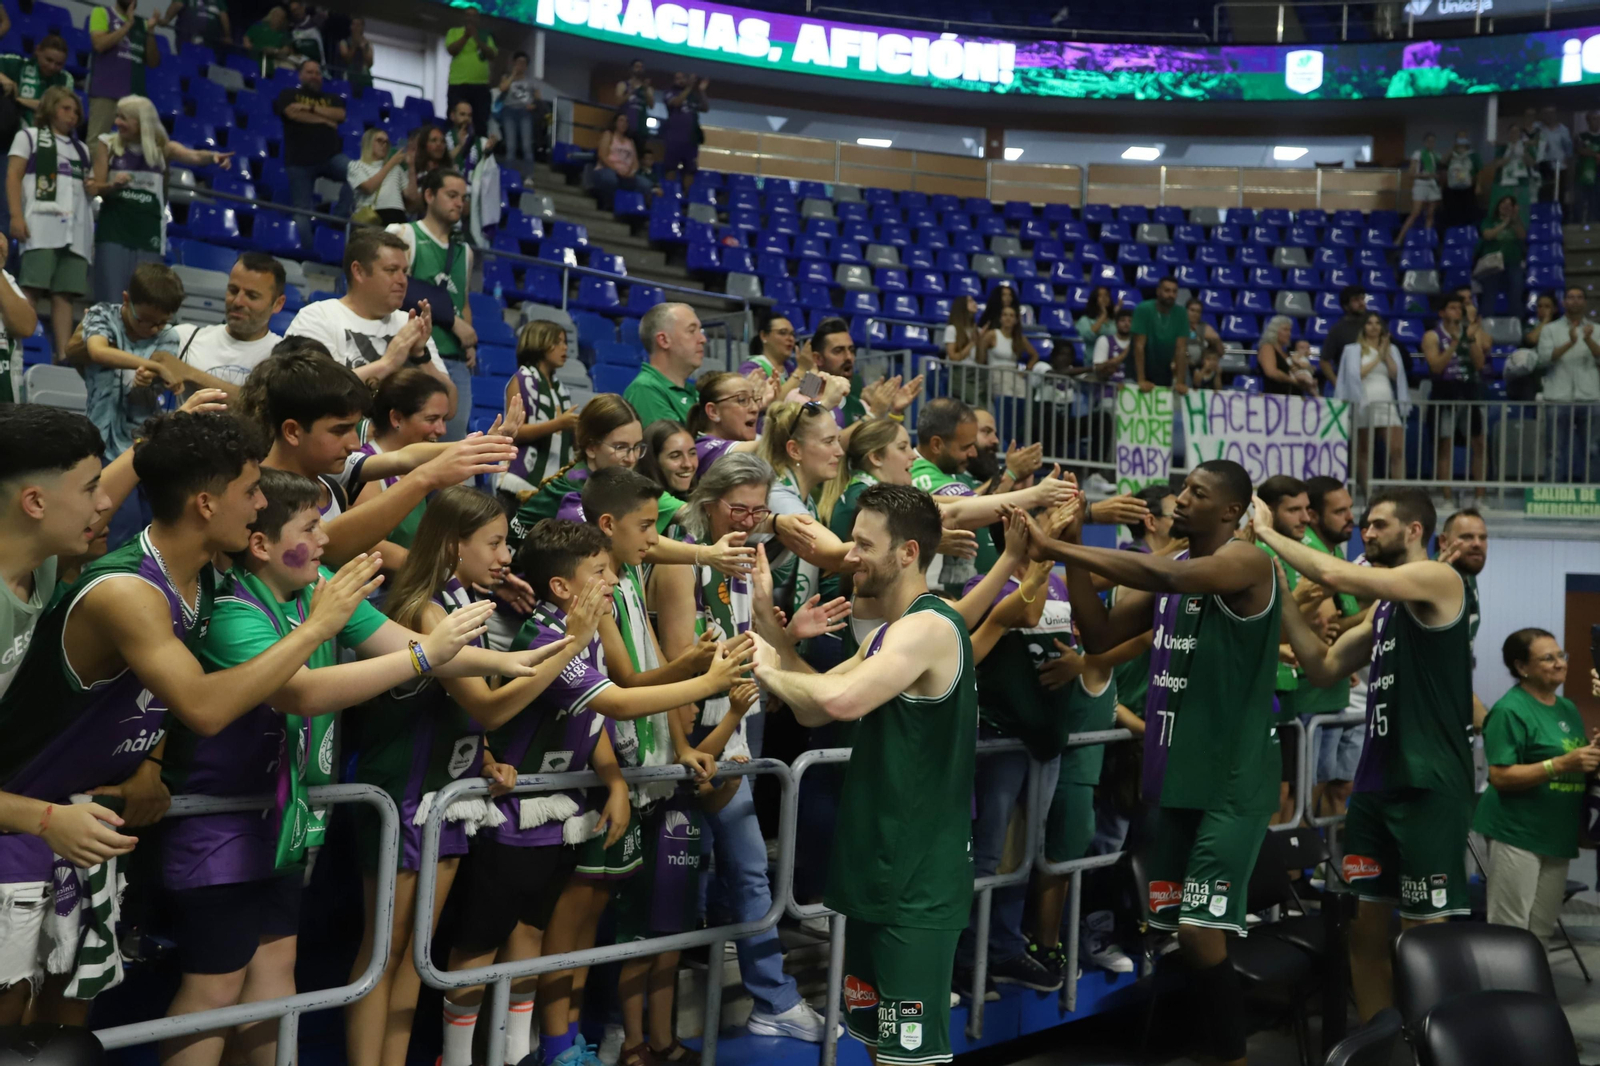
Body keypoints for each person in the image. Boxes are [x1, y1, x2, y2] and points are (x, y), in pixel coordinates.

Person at [161, 471, 566, 1066]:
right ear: (261, 545)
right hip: (224, 824)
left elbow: (405, 648)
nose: (326, 539)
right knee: (215, 989)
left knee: (275, 978)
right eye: (311, 527)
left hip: (286, 821)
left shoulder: (318, 586)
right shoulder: (231, 609)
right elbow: (304, 692)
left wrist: (526, 659)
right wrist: (424, 652)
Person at [0, 411, 375, 1027]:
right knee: (13, 1020)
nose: (260, 507)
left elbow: (156, 701)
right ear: (206, 503)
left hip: (82, 821)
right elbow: (203, 706)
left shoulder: (201, 576)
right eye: (251, 491)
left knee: (65, 1026)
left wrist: (148, 761)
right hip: (25, 815)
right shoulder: (126, 589)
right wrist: (317, 629)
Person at [1032, 459, 1281, 1066]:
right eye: (1182, 488)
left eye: (1198, 492)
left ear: (1231, 510)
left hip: (1232, 781)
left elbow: (1158, 576)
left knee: (1199, 930)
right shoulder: (1171, 567)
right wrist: (1069, 555)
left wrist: (1066, 542)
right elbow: (1098, 636)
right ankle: (1213, 1046)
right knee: (1179, 932)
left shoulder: (1247, 561)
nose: (1181, 498)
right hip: (1173, 778)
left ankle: (1232, 1056)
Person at [342, 486, 591, 1066]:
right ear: (454, 545)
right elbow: (490, 706)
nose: (506, 556)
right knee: (384, 950)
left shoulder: (462, 604)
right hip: (402, 795)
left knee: (414, 953)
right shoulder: (427, 609)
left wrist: (484, 760)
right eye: (495, 542)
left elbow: (463, 718)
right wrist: (571, 644)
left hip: (448, 798)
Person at [751, 484, 979, 1066]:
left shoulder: (930, 626)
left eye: (862, 544)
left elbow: (841, 701)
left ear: (906, 553)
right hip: (875, 870)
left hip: (917, 883)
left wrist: (764, 669)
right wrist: (766, 628)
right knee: (881, 1053)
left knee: (909, 1060)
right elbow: (810, 703)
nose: (849, 556)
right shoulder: (885, 634)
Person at [1258, 487, 1473, 1022]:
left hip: (1428, 785)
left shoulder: (1440, 580)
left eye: (1378, 525)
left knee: (1422, 938)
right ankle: (1382, 1046)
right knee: (1364, 933)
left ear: (1415, 530)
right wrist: (1283, 594)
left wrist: (1268, 533)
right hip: (1376, 786)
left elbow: (1335, 578)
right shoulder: (1385, 609)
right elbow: (1323, 667)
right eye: (1366, 526)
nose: (1366, 533)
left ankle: (1432, 1048)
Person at [241, 348, 514, 566]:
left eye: (354, 427)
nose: (353, 443)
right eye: (340, 430)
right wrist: (426, 478)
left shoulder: (328, 473)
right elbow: (328, 544)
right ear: (292, 431)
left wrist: (474, 446)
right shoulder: (261, 495)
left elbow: (403, 457)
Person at [1476, 629, 1598, 940]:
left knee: (1541, 929)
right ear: (1521, 667)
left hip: (1557, 834)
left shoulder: (1566, 708)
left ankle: (1532, 990)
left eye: (1561, 655)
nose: (1560, 663)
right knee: (1510, 930)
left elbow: (1577, 762)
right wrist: (1561, 764)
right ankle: (1505, 989)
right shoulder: (1509, 710)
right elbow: (1501, 777)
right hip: (1518, 832)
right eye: (1548, 658)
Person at [285, 228, 454, 401]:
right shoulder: (317, 318)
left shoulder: (410, 324)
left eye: (404, 272)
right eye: (391, 270)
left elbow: (450, 405)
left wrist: (421, 356)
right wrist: (388, 363)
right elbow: (310, 396)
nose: (403, 280)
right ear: (358, 271)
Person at [92, 94, 231, 304]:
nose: (117, 122)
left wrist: (213, 157)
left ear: (140, 122)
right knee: (110, 301)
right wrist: (113, 186)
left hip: (149, 234)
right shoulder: (107, 144)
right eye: (117, 116)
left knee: (142, 300)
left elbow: (192, 156)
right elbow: (95, 187)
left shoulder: (162, 149)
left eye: (123, 118)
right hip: (113, 232)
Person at [1293, 477, 1364, 820]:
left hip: (1331, 696)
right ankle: (1291, 875)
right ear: (1314, 516)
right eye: (1340, 511)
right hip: (1308, 697)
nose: (1351, 517)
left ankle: (1305, 872)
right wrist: (1385, 606)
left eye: (1350, 508)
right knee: (1297, 798)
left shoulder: (1332, 553)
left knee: (1319, 793)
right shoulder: (1308, 556)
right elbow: (1327, 632)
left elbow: (1338, 630)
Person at [387, 169, 476, 441]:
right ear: (429, 195)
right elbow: (395, 288)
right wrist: (452, 320)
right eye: (451, 195)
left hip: (455, 360)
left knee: (451, 445)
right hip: (414, 355)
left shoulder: (465, 251)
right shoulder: (403, 233)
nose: (459, 203)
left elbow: (463, 299)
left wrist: (469, 340)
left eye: (463, 197)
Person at [8, 87, 93, 363]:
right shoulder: (29, 137)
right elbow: (13, 177)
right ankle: (14, 345)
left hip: (75, 233)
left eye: (75, 110)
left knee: (64, 296)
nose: (72, 115)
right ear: (50, 108)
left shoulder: (81, 149)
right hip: (41, 228)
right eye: (65, 108)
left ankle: (62, 355)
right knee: (30, 289)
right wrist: (16, 216)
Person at [74, 261, 185, 468]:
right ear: (127, 299)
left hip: (140, 446)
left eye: (161, 322)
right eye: (146, 320)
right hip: (97, 438)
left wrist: (150, 380)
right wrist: (156, 366)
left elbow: (159, 386)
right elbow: (98, 351)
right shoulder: (103, 315)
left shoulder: (169, 336)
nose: (154, 329)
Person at [348, 369, 453, 568]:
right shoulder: (367, 469)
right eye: (432, 419)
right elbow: (370, 547)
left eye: (444, 419)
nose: (441, 430)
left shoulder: (425, 466)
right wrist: (439, 573)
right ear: (396, 418)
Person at [166, 252, 288, 394]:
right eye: (233, 290)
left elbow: (262, 408)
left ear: (278, 304)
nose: (237, 301)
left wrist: (190, 373)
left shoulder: (283, 360)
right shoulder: (186, 338)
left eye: (252, 296)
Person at [275, 59, 349, 249]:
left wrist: (310, 108)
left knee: (359, 173)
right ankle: (308, 253)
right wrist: (325, 120)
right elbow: (292, 114)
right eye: (309, 72)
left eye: (317, 73)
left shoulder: (332, 98)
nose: (314, 76)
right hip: (299, 162)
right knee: (302, 211)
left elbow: (340, 115)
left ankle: (338, 219)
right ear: (300, 75)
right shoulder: (289, 94)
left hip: (331, 157)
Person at [503, 319, 578, 495]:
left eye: (565, 342)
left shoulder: (561, 388)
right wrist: (558, 424)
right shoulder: (521, 379)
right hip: (520, 483)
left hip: (553, 485)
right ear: (538, 342)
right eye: (557, 342)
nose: (565, 347)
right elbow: (514, 433)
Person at [1535, 285, 1600, 484]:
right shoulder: (1549, 330)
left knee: (1593, 450)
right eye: (1570, 297)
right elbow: (1544, 359)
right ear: (1563, 303)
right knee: (1554, 451)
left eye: (1579, 297)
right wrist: (1569, 343)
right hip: (1557, 397)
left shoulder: (1596, 330)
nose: (1575, 301)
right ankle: (1552, 493)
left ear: (1585, 302)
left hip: (1589, 397)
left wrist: (1588, 340)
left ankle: (1593, 495)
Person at [1335, 311, 1408, 488]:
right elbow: (1357, 374)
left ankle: (1400, 490)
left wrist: (1386, 353)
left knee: (1397, 450)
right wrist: (1378, 357)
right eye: (1369, 323)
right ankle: (1367, 491)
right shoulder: (1353, 350)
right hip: (1363, 401)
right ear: (1363, 327)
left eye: (1377, 323)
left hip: (1387, 402)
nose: (1374, 326)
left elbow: (1394, 374)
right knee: (1364, 450)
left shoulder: (1392, 350)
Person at [1421, 294, 1486, 483]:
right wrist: (1453, 345)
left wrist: (1472, 339)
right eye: (1452, 307)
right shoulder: (1432, 336)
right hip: (1445, 392)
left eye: (1460, 308)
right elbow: (1436, 367)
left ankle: (1480, 497)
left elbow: (1480, 364)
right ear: (1442, 312)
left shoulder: (1472, 332)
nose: (1458, 311)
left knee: (1479, 444)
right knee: (1445, 445)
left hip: (1469, 392)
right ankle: (1446, 496)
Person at [87, 0, 163, 142]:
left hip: (134, 96)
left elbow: (153, 62)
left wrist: (151, 32)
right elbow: (99, 44)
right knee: (98, 140)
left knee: (133, 144)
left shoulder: (143, 24)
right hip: (105, 92)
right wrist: (127, 25)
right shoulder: (102, 13)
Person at [624, 302, 703, 428]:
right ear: (664, 340)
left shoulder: (692, 391)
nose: (703, 339)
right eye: (692, 331)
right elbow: (674, 446)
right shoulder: (645, 389)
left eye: (700, 330)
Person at [445, 7, 496, 139]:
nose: (470, 18)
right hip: (458, 84)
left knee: (480, 122)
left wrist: (477, 38)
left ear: (478, 19)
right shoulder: (454, 32)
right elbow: (452, 50)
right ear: (464, 17)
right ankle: (453, 148)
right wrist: (466, 36)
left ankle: (478, 153)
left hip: (481, 87)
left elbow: (492, 54)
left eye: (474, 16)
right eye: (468, 15)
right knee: (455, 120)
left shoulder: (485, 35)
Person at [0, 35, 74, 119]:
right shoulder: (18, 64)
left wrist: (18, 101)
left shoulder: (65, 79)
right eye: (49, 60)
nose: (52, 67)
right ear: (38, 50)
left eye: (59, 64)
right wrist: (3, 78)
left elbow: (58, 109)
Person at [1476, 193, 1526, 318]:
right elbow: (1488, 235)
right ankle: (1486, 323)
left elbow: (1522, 236)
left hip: (1513, 263)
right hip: (1492, 264)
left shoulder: (1517, 223)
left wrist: (1515, 219)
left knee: (1516, 290)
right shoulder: (1489, 221)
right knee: (1489, 293)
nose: (1506, 207)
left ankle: (1516, 322)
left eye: (1509, 205)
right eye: (1503, 204)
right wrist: (1504, 223)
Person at [1131, 276, 1185, 392]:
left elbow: (1181, 349)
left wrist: (1180, 382)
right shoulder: (1143, 309)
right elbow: (1139, 346)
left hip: (1164, 369)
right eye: (1167, 290)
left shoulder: (1181, 313)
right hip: (1139, 368)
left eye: (1174, 291)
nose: (1171, 295)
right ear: (1158, 291)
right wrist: (1141, 379)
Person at [347, 129, 408, 227]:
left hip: (398, 216)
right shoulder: (356, 166)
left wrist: (412, 166)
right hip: (373, 216)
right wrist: (391, 163)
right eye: (379, 141)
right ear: (369, 142)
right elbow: (369, 188)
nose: (384, 145)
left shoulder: (396, 168)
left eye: (386, 142)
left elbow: (411, 197)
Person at [592, 111, 651, 208]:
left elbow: (635, 162)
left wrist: (631, 172)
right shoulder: (609, 135)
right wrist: (616, 169)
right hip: (608, 169)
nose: (624, 123)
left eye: (626, 121)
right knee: (610, 179)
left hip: (626, 174)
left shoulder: (630, 141)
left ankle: (634, 209)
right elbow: (602, 155)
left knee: (645, 184)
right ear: (615, 122)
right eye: (621, 120)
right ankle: (608, 205)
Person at [636, 419, 696, 514]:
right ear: (653, 460)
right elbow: (703, 516)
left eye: (692, 453)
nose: (688, 464)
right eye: (675, 456)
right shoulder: (650, 497)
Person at [661, 71, 707, 191]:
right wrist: (689, 87)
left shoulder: (693, 95)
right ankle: (669, 196)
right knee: (671, 168)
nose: (680, 81)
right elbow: (676, 102)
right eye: (677, 79)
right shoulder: (669, 92)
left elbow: (705, 108)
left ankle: (686, 202)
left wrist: (701, 91)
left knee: (690, 170)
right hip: (674, 139)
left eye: (682, 78)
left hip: (691, 140)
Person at [1396, 132, 1441, 246]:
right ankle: (1399, 239)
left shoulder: (1436, 155)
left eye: (1433, 141)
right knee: (1415, 212)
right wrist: (1426, 175)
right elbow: (1411, 173)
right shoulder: (1418, 154)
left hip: (1433, 185)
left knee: (1430, 214)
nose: (1431, 143)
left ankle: (1427, 241)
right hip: (1421, 184)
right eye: (1429, 141)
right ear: (1425, 142)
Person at [1490, 123, 1537, 227]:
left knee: (1520, 209)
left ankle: (1522, 231)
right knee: (1503, 208)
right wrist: (1509, 155)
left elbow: (1532, 163)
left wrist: (1522, 152)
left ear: (1520, 134)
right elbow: (1496, 164)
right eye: (1512, 132)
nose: (1514, 134)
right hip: (1503, 183)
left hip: (1521, 184)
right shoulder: (1502, 148)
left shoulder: (1526, 147)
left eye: (1517, 132)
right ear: (1508, 134)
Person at [1321, 285, 1368, 386]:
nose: (1361, 303)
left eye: (1362, 298)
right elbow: (1324, 361)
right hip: (1350, 382)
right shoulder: (1338, 329)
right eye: (1356, 300)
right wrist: (1337, 383)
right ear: (1346, 306)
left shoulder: (1375, 324)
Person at [1257, 315, 1313, 396]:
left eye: (1290, 330)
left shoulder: (1287, 353)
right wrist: (1293, 381)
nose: (1289, 334)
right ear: (1274, 331)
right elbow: (1271, 372)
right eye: (1285, 330)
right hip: (1275, 397)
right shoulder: (1267, 347)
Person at [499, 52, 539, 164]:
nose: (520, 65)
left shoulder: (531, 81)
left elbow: (538, 98)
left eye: (523, 63)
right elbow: (502, 88)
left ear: (526, 66)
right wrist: (513, 75)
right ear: (514, 63)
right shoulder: (506, 77)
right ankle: (509, 174)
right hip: (509, 112)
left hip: (525, 112)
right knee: (511, 145)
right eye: (518, 62)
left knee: (527, 145)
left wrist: (534, 105)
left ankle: (529, 176)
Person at [1442, 130, 1483, 231]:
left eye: (1464, 137)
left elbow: (1480, 171)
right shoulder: (1451, 154)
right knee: (1452, 214)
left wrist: (1478, 185)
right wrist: (1453, 148)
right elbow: (1442, 162)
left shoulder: (1473, 155)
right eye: (1460, 138)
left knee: (1469, 213)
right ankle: (1452, 234)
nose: (1462, 140)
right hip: (1452, 189)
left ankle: (1469, 235)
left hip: (1468, 188)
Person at [614, 58, 653, 160]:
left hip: (640, 128)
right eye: (636, 67)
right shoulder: (623, 85)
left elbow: (651, 105)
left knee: (637, 157)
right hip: (625, 127)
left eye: (641, 67)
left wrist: (645, 90)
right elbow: (618, 102)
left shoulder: (647, 88)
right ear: (631, 69)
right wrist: (630, 92)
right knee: (621, 155)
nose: (639, 69)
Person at [244, 6, 293, 72]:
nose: (279, 18)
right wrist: (247, 44)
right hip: (253, 57)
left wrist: (275, 51)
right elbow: (246, 38)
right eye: (276, 15)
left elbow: (286, 50)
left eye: (282, 17)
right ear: (271, 15)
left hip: (273, 60)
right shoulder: (258, 27)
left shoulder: (284, 33)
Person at [338, 17, 374, 91]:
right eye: (353, 24)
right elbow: (346, 59)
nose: (355, 27)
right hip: (348, 75)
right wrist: (355, 46)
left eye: (358, 25)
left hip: (364, 77)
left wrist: (363, 48)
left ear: (362, 27)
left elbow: (370, 63)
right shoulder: (344, 42)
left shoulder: (368, 43)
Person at [1576, 112, 1600, 225]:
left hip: (1598, 177)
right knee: (1581, 201)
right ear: (1588, 121)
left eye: (1598, 119)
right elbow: (1580, 150)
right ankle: (1579, 223)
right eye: (1593, 119)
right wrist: (1595, 154)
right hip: (1582, 175)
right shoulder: (1582, 136)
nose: (1596, 121)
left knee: (1596, 202)